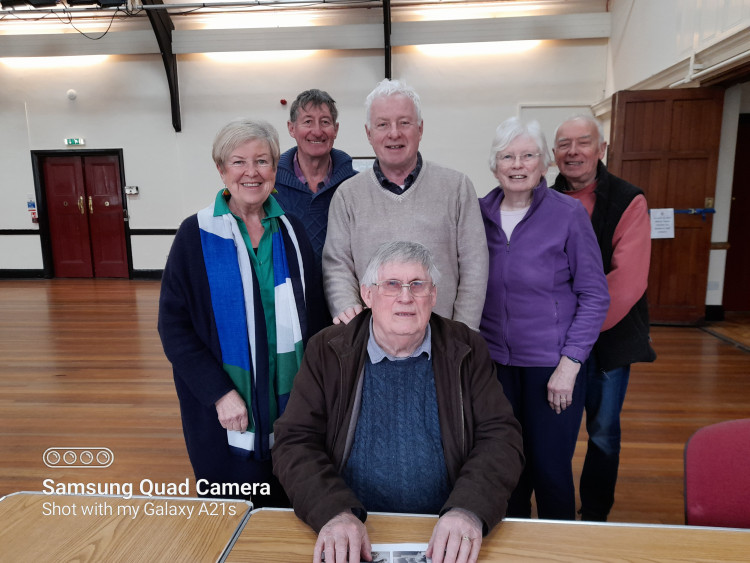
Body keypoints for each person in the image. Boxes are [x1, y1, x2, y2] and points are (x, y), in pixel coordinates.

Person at [273, 241, 524, 563]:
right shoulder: (327, 350)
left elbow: (500, 437)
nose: (405, 297)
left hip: (444, 528)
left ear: (433, 295)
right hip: (354, 528)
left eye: (417, 285)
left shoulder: (466, 348)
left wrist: (468, 508)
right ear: (367, 295)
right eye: (392, 285)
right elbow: (294, 441)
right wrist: (332, 511)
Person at [158, 118, 326, 507]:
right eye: (238, 162)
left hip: (290, 400)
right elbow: (173, 326)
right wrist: (219, 394)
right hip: (225, 406)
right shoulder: (195, 234)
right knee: (231, 510)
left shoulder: (292, 231)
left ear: (275, 170)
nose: (251, 172)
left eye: (262, 161)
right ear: (221, 169)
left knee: (289, 502)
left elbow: (315, 316)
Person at [479, 117, 609, 520]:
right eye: (508, 156)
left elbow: (594, 294)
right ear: (494, 164)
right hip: (495, 365)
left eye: (528, 155)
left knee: (551, 472)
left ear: (544, 165)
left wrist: (570, 365)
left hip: (551, 368)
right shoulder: (478, 213)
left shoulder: (568, 215)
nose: (518, 165)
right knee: (505, 470)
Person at [551, 114, 656, 522]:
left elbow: (627, 282)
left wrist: (575, 339)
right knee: (550, 432)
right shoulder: (541, 197)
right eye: (564, 144)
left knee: (603, 434)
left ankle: (594, 516)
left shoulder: (629, 200)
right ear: (554, 154)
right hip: (554, 342)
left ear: (602, 149)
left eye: (583, 142)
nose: (573, 152)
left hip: (606, 341)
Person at [322, 79, 488, 330]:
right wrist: (350, 316)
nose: (394, 133)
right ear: (369, 134)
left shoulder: (457, 188)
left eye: (404, 123)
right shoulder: (347, 196)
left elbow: (474, 267)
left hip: (443, 344)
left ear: (420, 129)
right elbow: (337, 265)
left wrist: (462, 333)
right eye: (382, 124)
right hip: (371, 344)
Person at [273, 88, 357, 267]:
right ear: (291, 128)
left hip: (344, 292)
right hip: (287, 292)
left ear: (336, 129)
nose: (317, 131)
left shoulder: (356, 187)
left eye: (325, 122)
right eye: (308, 122)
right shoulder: (270, 188)